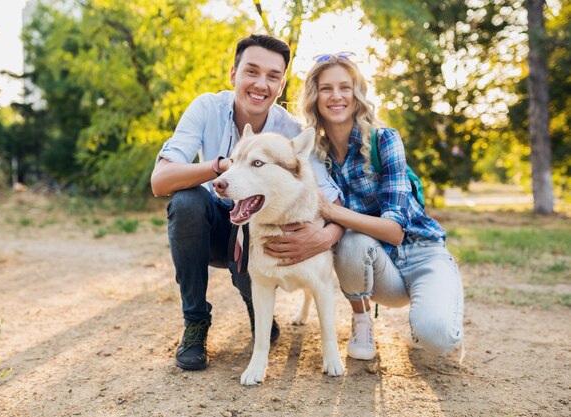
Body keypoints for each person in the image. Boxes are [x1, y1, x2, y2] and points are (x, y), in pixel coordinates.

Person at [150, 35, 343, 371]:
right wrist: (223, 167)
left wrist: (327, 237)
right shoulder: (206, 108)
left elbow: (330, 198)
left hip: (259, 227)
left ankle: (258, 309)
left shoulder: (289, 134)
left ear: (281, 85)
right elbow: (160, 181)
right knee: (187, 201)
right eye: (251, 72)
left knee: (266, 217)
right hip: (212, 226)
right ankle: (195, 323)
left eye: (272, 76)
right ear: (233, 74)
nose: (260, 84)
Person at [300, 52, 464, 360]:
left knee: (438, 340)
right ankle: (362, 321)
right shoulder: (313, 157)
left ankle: (431, 315)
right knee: (350, 241)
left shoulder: (384, 139)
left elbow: (395, 232)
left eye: (345, 87)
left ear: (357, 94)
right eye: (326, 88)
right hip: (376, 269)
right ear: (315, 96)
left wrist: (334, 212)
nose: (336, 96)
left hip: (421, 253)